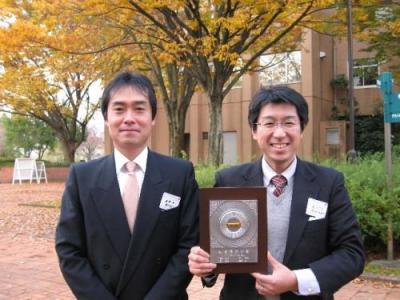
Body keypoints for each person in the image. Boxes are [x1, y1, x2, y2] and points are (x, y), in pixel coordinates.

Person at [188, 86, 365, 300]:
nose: (279, 133)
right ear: (254, 130)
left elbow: (351, 254)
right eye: (269, 123)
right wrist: (205, 266)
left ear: (301, 128)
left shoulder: (328, 183)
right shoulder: (229, 180)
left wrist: (296, 280)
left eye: (289, 122)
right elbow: (216, 248)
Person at [55, 71, 199, 300]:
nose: (129, 118)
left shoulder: (180, 174)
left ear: (153, 117)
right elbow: (69, 250)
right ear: (106, 117)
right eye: (119, 109)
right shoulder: (82, 177)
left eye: (139, 109)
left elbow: (189, 246)